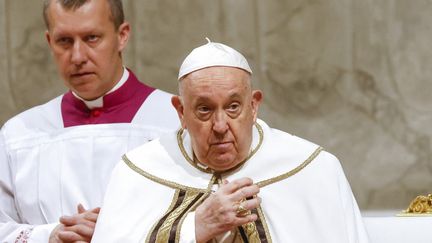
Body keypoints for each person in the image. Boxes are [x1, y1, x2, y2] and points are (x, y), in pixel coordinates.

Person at [91, 39, 370, 242]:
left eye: (233, 107)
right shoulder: (138, 172)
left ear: (254, 105)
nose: (221, 126)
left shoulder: (314, 169)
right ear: (181, 112)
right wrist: (194, 228)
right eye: (204, 109)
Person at [0, 0, 179, 242]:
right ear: (49, 41)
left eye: (92, 38)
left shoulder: (176, 121)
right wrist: (50, 235)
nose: (77, 56)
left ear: (122, 36)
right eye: (64, 41)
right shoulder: (19, 135)